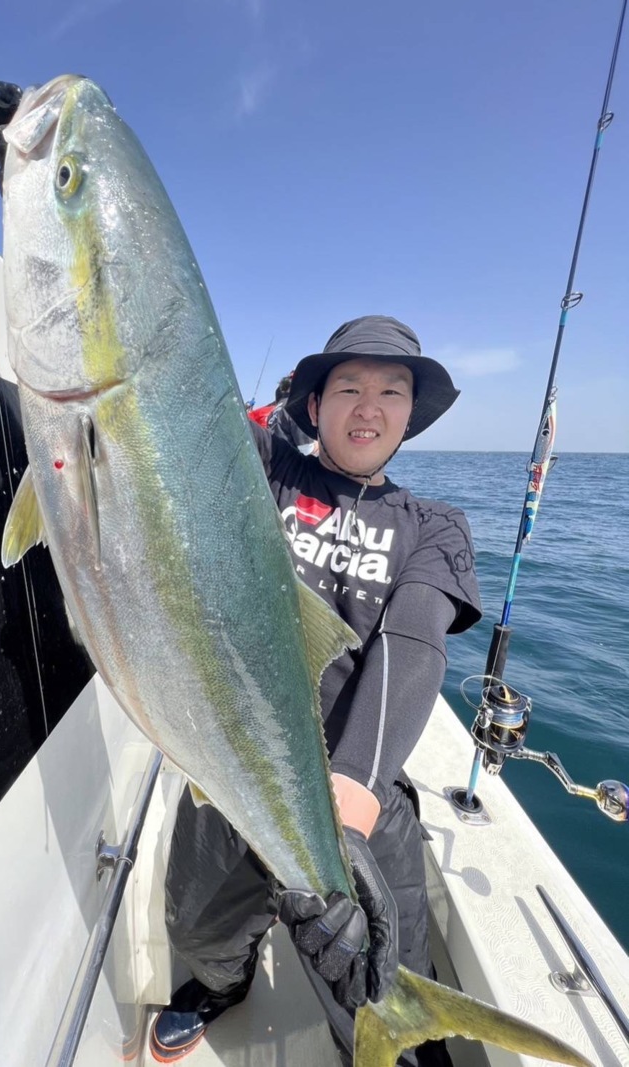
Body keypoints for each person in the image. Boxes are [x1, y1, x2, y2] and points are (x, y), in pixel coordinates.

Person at [151, 316, 482, 1065]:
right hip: (231, 760)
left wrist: (354, 795)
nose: (370, 406)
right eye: (349, 388)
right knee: (198, 928)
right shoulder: (265, 469)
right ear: (314, 405)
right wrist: (271, 417)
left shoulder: (435, 527)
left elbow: (413, 642)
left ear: (410, 414)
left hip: (356, 784)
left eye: (392, 391)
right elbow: (189, 411)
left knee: (375, 972)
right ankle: (224, 982)